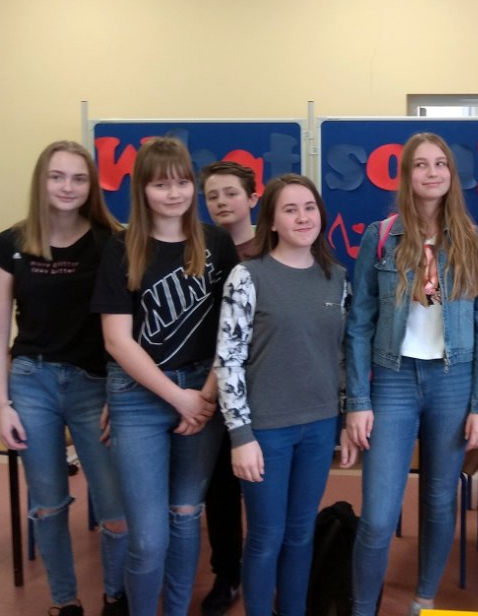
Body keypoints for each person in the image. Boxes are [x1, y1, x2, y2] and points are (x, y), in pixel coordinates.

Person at [345, 132, 478, 616]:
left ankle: (423, 600)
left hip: (454, 379)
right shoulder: (381, 236)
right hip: (392, 380)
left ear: (451, 174)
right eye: (421, 165)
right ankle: (362, 608)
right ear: (406, 175)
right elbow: (359, 323)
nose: (432, 173)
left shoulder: (472, 239)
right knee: (377, 516)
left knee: (438, 501)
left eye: (441, 164)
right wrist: (357, 401)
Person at [92, 137, 239, 616]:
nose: (174, 193)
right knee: (149, 538)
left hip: (203, 388)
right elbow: (117, 340)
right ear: (142, 189)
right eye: (160, 185)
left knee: (185, 516)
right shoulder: (121, 249)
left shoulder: (216, 244)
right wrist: (181, 398)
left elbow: (232, 328)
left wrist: (206, 394)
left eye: (181, 183)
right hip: (140, 396)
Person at [0, 140, 129, 616]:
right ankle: (65, 601)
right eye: (57, 176)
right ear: (41, 182)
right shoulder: (11, 243)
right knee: (48, 504)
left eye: (79, 178)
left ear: (92, 186)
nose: (68, 187)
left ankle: (115, 595)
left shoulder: (110, 242)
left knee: (115, 510)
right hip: (32, 383)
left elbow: (127, 327)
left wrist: (121, 395)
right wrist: (1, 405)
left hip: (95, 386)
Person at [215, 174, 357, 616]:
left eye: (309, 208)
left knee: (300, 533)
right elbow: (228, 359)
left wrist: (345, 419)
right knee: (266, 536)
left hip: (318, 427)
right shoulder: (247, 276)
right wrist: (240, 435)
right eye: (290, 210)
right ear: (272, 222)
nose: (302, 217)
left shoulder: (337, 278)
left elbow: (342, 356)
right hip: (265, 432)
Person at [198, 160, 260, 615]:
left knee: (262, 487)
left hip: (260, 384)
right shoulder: (196, 249)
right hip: (206, 383)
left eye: (231, 193)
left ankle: (265, 568)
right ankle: (228, 572)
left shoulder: (271, 246)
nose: (222, 202)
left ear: (253, 198)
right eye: (212, 195)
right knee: (219, 485)